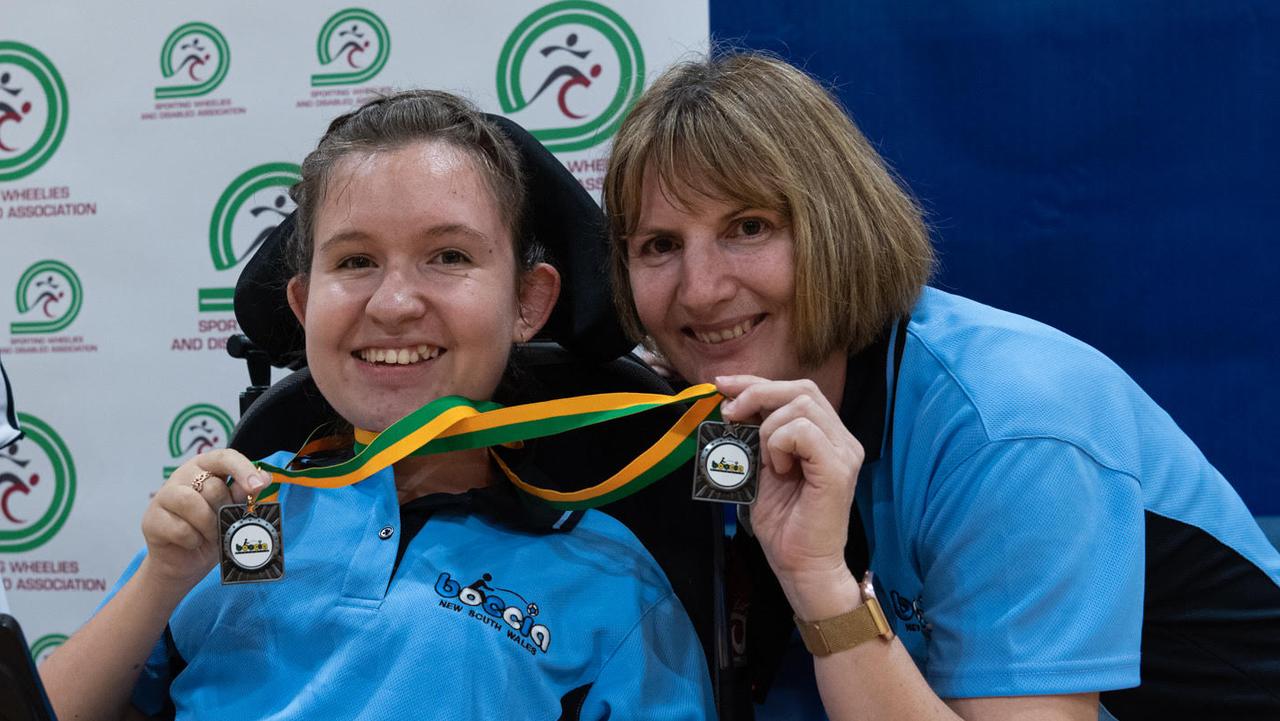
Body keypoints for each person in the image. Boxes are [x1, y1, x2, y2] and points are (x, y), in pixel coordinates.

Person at [602, 53, 1280, 720]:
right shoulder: (720, 412)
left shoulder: (1010, 425)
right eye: (659, 246)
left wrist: (821, 583)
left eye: (748, 228)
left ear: (838, 228)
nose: (700, 289)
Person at [39, 90, 714, 721]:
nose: (392, 304)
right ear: (304, 307)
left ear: (529, 302)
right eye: (356, 261)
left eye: (448, 255)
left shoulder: (611, 579)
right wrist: (162, 576)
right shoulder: (241, 514)